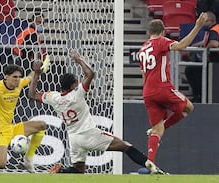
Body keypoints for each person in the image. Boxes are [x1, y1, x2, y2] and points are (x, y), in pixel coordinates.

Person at [28, 50, 165, 174]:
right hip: (89, 134)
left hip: (74, 139)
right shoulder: (77, 93)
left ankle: (61, 172)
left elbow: (32, 95)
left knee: (78, 170)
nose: (79, 83)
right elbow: (91, 74)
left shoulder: (54, 97)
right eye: (77, 82)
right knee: (126, 147)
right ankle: (154, 169)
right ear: (73, 86)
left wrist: (37, 74)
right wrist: (79, 59)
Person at [138, 13, 208, 164]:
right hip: (162, 87)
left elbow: (144, 74)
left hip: (147, 93)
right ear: (163, 32)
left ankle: (150, 161)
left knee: (157, 130)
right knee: (188, 107)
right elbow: (181, 46)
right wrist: (197, 26)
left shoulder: (142, 50)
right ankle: (165, 125)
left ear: (148, 32)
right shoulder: (161, 41)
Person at [185, 11, 219, 102]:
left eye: (205, 21)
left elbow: (214, 43)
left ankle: (199, 96)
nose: (203, 24)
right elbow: (206, 41)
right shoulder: (214, 29)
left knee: (190, 70)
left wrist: (205, 51)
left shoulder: (213, 30)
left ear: (212, 21)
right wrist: (194, 46)